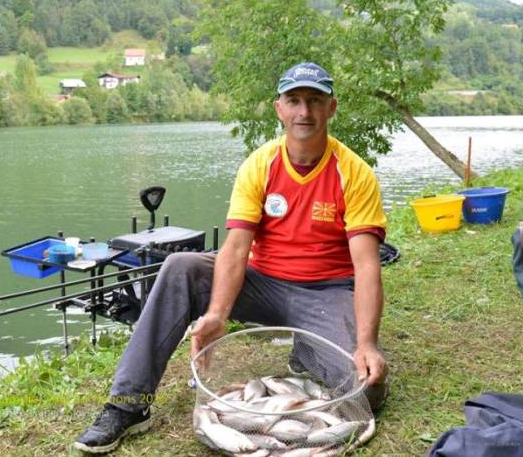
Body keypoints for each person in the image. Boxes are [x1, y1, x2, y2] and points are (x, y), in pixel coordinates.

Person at [74, 61, 389, 454]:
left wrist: (367, 344)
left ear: (331, 107)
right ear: (279, 109)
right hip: (261, 282)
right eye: (294, 100)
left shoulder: (355, 173)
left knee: (369, 391)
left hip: (325, 291)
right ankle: (128, 403)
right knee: (180, 267)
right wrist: (218, 313)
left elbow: (366, 265)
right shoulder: (260, 164)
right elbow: (237, 247)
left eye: (314, 100)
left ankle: (308, 349)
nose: (304, 111)